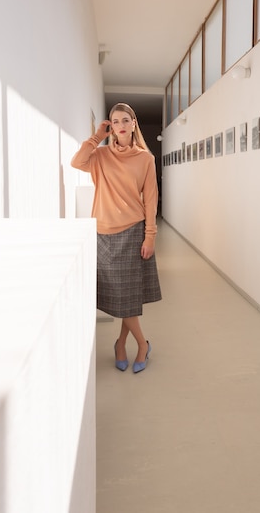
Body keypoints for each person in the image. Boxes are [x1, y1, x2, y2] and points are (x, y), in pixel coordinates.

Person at [71, 102, 161, 373]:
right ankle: (132, 343)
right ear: (111, 126)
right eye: (115, 121)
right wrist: (97, 136)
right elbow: (77, 162)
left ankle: (135, 346)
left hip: (133, 231)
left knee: (126, 296)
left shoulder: (145, 159)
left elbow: (151, 201)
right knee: (123, 296)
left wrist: (150, 236)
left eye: (125, 120)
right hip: (103, 233)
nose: (121, 126)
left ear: (134, 124)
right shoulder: (100, 156)